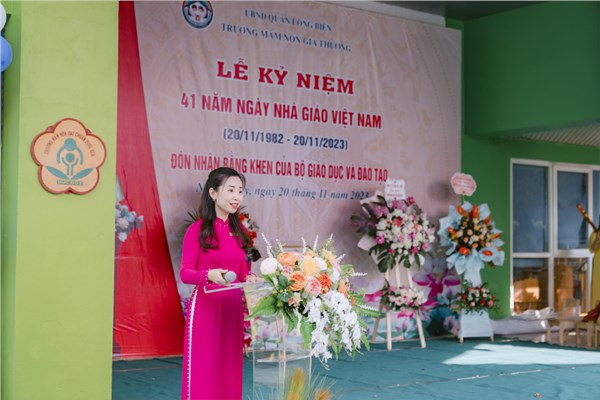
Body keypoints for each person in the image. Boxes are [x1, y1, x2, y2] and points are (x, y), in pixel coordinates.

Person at [180, 167, 253, 400]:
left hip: (232, 310)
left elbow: (242, 273)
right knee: (203, 372)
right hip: (206, 309)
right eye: (230, 190)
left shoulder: (239, 231)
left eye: (240, 191)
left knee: (229, 372)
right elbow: (185, 274)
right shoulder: (197, 230)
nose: (236, 197)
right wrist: (208, 275)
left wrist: (252, 279)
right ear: (213, 193)